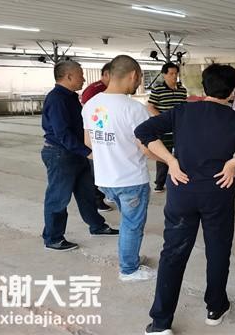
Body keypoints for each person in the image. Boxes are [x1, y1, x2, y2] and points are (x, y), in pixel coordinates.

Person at [135, 64, 235, 335]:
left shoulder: (183, 111)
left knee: (173, 253)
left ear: (204, 87)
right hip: (218, 192)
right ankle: (215, 307)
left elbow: (143, 131)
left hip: (181, 191)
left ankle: (160, 322)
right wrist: (233, 163)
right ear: (232, 92)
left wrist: (171, 161)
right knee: (218, 250)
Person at [83, 55, 161, 281]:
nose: (138, 83)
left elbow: (88, 141)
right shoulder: (134, 109)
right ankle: (129, 269)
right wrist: (171, 161)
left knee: (128, 222)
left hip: (105, 179)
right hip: (130, 179)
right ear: (134, 75)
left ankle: (131, 258)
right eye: (139, 78)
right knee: (132, 225)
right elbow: (146, 148)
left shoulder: (91, 104)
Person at [41, 60, 118, 252]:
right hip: (60, 154)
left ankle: (97, 226)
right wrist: (87, 152)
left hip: (75, 152)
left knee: (86, 193)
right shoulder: (57, 99)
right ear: (68, 76)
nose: (83, 79)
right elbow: (62, 133)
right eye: (80, 75)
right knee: (58, 198)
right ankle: (53, 238)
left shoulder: (70, 97)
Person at [147, 62, 187, 193]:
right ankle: (159, 183)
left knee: (181, 154)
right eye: (171, 74)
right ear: (164, 75)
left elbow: (183, 107)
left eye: (176, 73)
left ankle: (180, 179)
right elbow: (150, 106)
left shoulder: (182, 90)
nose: (174, 76)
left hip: (179, 128)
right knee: (164, 155)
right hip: (164, 130)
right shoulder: (158, 89)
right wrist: (163, 119)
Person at [81, 62, 113, 213]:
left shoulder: (108, 90)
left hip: (106, 135)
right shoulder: (94, 90)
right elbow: (91, 116)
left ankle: (108, 194)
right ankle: (97, 200)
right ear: (106, 74)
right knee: (95, 171)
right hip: (97, 135)